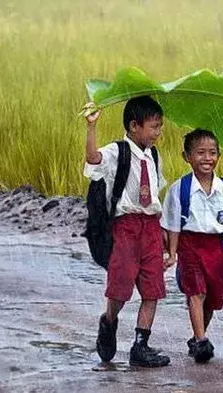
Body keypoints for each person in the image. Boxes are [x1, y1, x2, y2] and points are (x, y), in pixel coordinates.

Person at [83, 96, 170, 367]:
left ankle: (140, 346)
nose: (158, 133)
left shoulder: (154, 156)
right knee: (120, 289)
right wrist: (91, 127)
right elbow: (92, 158)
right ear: (134, 126)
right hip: (126, 227)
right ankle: (109, 320)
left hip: (151, 227)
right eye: (153, 127)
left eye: (160, 126)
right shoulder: (117, 151)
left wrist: (163, 230)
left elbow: (155, 194)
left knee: (153, 289)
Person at [161, 128, 223, 364]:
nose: (207, 158)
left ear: (219, 155)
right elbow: (173, 224)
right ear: (186, 156)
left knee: (213, 297)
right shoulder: (180, 189)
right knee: (196, 291)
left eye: (212, 153)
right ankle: (201, 341)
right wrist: (172, 253)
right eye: (200, 153)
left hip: (217, 246)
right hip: (190, 245)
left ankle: (198, 336)